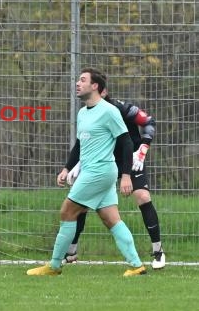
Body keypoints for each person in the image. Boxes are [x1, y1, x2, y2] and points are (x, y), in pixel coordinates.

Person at [27, 67, 146, 277]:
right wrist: (66, 168)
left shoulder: (109, 111)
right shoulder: (82, 113)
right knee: (111, 219)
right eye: (77, 80)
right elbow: (80, 145)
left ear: (95, 86)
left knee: (67, 211)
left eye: (82, 80)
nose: (77, 83)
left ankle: (54, 265)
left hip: (100, 171)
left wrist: (126, 175)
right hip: (94, 171)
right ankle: (137, 265)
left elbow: (126, 142)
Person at [64, 88, 164, 269]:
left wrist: (142, 149)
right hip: (104, 162)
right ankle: (71, 251)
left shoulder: (123, 109)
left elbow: (149, 122)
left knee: (142, 196)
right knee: (81, 202)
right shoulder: (88, 112)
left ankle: (158, 251)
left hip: (131, 159)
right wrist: (76, 164)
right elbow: (84, 141)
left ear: (103, 92)